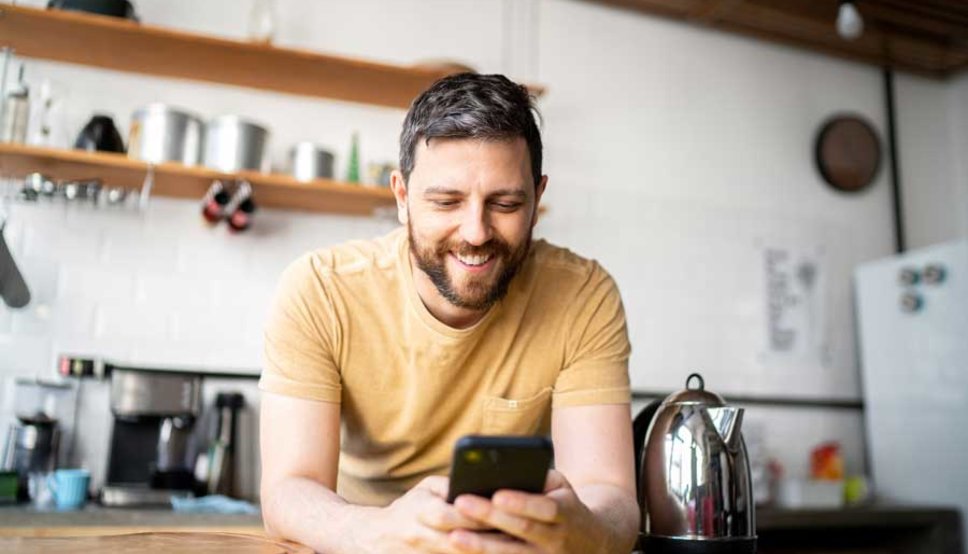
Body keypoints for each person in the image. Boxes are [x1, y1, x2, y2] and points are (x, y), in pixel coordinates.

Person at [259, 73, 639, 553]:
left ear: (538, 200)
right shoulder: (320, 290)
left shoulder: (584, 295)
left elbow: (612, 496)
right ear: (402, 197)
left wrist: (583, 528)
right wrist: (374, 532)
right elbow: (287, 491)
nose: (476, 232)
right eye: (446, 201)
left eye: (505, 203)